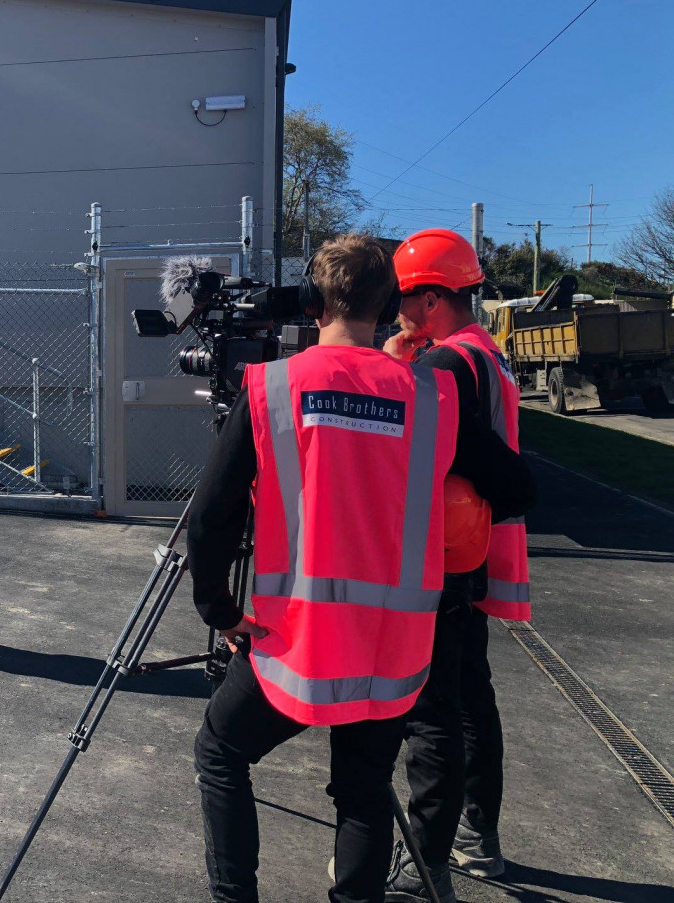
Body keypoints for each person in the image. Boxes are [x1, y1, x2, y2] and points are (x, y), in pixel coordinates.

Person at [188, 233, 534, 903]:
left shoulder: (273, 387)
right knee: (364, 788)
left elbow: (210, 520)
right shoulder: (432, 395)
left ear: (314, 302)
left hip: (298, 640)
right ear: (388, 304)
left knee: (221, 752)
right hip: (395, 646)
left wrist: (221, 612)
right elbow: (516, 488)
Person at [380, 229, 535, 900]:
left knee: (434, 710)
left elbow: (451, 454)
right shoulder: (486, 352)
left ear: (434, 298)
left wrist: (396, 373)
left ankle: (428, 860)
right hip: (475, 548)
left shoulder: (445, 364)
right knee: (471, 695)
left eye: (404, 298)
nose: (398, 312)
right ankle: (479, 837)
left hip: (444, 554)